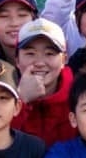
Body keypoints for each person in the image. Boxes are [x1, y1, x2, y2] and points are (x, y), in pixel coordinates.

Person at [14, 17, 76, 148]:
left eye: (49, 53)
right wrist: (21, 101)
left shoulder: (79, 97)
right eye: (30, 53)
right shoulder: (2, 95)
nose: (40, 63)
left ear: (64, 59)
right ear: (17, 61)